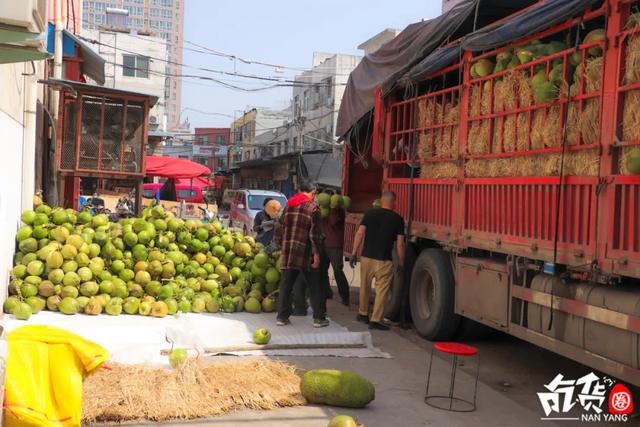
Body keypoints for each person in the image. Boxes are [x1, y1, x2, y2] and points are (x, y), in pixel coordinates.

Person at [275, 181, 329, 328]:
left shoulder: (289, 205)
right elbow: (315, 235)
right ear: (313, 192)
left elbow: (280, 228)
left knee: (286, 285)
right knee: (314, 286)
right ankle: (319, 319)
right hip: (305, 253)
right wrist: (316, 254)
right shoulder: (313, 208)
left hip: (288, 252)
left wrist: (282, 246)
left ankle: (281, 317)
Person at [349, 191, 405, 330]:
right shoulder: (398, 219)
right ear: (394, 202)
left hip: (366, 257)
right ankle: (376, 319)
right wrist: (402, 262)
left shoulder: (369, 214)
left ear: (381, 201)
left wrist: (353, 253)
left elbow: (360, 233)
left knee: (365, 286)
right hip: (384, 260)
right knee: (382, 291)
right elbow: (400, 244)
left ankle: (363, 314)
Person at [320, 199, 350, 306]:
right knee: (322, 270)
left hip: (335, 245)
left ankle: (345, 295)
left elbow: (333, 222)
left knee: (337, 270)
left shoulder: (339, 211)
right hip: (323, 243)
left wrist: (332, 209)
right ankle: (327, 292)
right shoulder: (322, 210)